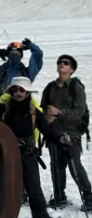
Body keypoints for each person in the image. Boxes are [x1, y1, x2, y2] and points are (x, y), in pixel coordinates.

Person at [0, 77, 60, 218]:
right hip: (6, 153)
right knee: (4, 186)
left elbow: (46, 130)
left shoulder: (34, 112)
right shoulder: (4, 109)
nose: (18, 92)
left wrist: (60, 140)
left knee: (34, 188)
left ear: (27, 92)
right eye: (15, 89)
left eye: (22, 89)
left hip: (27, 153)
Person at [40, 54, 92, 211]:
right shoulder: (50, 87)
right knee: (56, 166)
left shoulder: (76, 88)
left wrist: (59, 113)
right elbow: (43, 108)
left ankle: (89, 197)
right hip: (54, 134)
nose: (61, 64)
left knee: (75, 166)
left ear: (72, 69)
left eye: (66, 63)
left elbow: (79, 113)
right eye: (59, 62)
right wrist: (46, 117)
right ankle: (59, 195)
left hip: (71, 134)